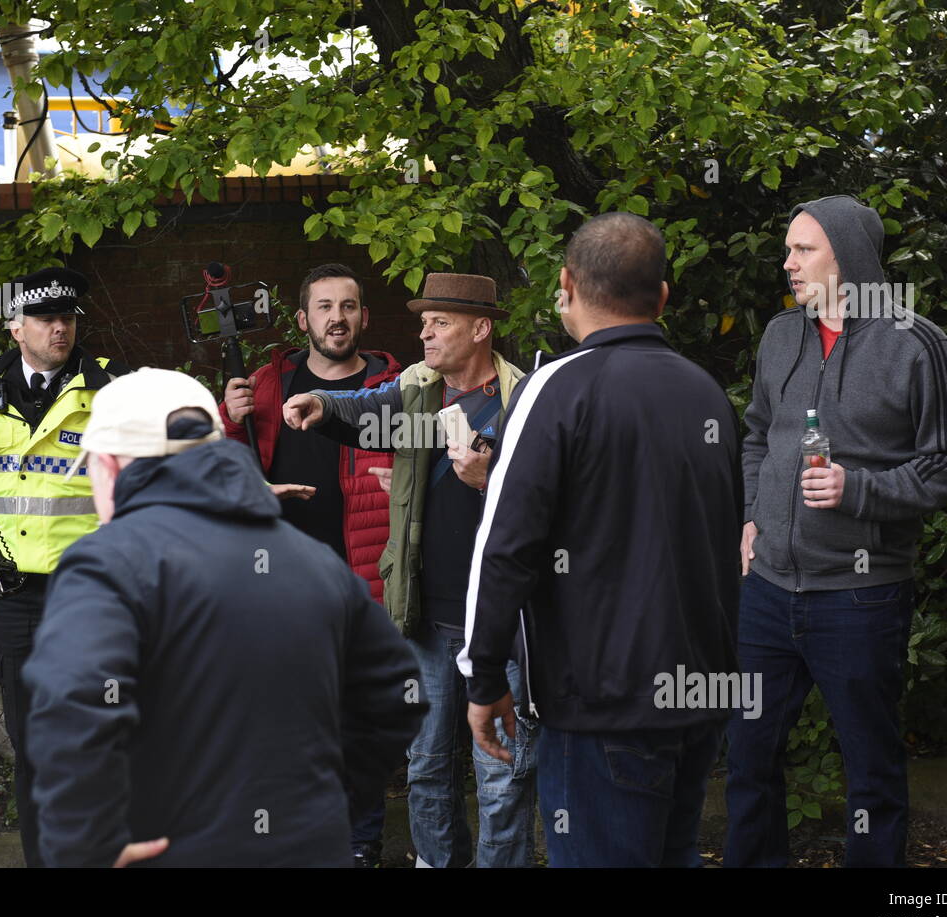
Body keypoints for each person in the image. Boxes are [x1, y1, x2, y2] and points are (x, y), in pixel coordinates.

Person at [21, 368, 426, 867]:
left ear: (111, 464)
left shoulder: (107, 564)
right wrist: (324, 801)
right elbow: (397, 695)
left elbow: (72, 714)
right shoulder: (312, 560)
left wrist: (82, 845)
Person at [457, 213, 744, 867]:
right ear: (663, 296)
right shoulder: (707, 394)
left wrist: (481, 676)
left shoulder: (553, 390)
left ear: (566, 284)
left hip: (605, 702)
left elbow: (503, 545)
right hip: (699, 693)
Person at [725, 195, 947, 868]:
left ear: (850, 257)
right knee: (748, 758)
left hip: (861, 597)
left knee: (870, 772)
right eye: (789, 249)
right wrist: (752, 513)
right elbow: (756, 436)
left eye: (803, 249)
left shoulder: (917, 344)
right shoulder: (781, 335)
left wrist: (858, 488)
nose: (788, 263)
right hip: (768, 589)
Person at [284, 273, 538, 868]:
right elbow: (365, 410)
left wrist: (489, 480)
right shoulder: (419, 390)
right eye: (423, 320)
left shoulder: (524, 401)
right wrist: (322, 405)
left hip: (498, 625)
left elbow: (557, 503)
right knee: (426, 768)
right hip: (425, 617)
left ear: (481, 329)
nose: (424, 332)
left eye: (440, 321)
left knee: (501, 773)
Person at [0, 266, 129, 867]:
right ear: (16, 327)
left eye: (67, 318)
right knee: (32, 741)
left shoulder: (106, 391)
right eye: (46, 319)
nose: (60, 328)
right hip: (16, 596)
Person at [220, 263, 401, 865]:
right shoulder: (269, 388)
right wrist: (229, 419)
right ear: (303, 321)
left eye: (348, 306)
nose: (337, 318)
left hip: (365, 579)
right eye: (324, 307)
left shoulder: (395, 386)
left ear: (364, 317)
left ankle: (360, 842)